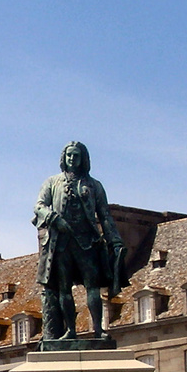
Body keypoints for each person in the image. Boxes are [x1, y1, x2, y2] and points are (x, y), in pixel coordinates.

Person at [32, 140, 126, 343]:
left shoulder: (94, 185)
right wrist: (53, 218)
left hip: (87, 241)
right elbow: (39, 206)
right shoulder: (52, 182)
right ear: (63, 158)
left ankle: (98, 329)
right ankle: (71, 330)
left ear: (83, 159)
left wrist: (115, 241)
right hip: (61, 243)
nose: (72, 159)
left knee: (93, 286)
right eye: (69, 155)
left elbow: (105, 216)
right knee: (64, 288)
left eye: (76, 156)